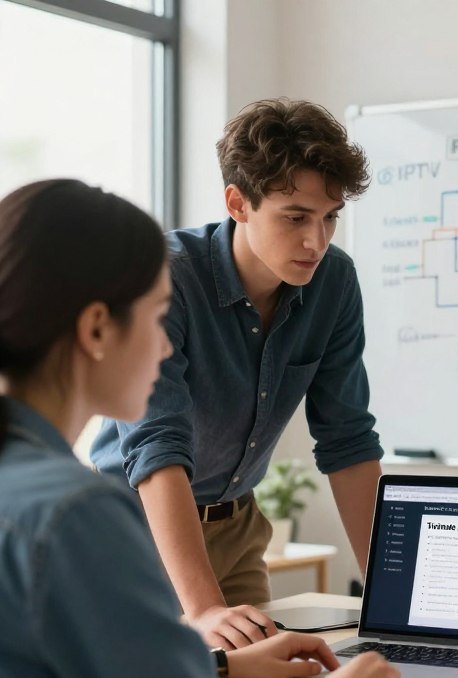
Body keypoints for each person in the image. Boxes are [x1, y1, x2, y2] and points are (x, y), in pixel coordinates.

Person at [0, 179, 402, 678]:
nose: (168, 350)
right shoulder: (74, 517)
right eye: (157, 317)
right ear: (96, 330)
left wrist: (219, 666)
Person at [91, 99, 385, 648]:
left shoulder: (335, 282)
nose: (316, 241)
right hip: (136, 528)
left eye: (330, 217)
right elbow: (156, 447)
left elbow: (348, 440)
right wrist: (204, 609)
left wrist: (391, 597)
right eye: (295, 217)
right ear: (238, 203)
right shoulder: (165, 276)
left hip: (238, 527)